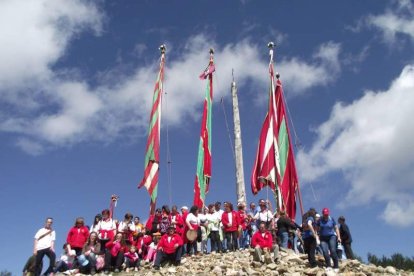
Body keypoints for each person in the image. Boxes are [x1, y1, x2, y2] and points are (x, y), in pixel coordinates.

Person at [317, 208, 341, 272]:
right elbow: (317, 229)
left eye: (327, 214)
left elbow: (336, 228)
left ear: (328, 214)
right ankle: (328, 265)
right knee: (325, 252)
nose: (326, 216)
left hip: (331, 237)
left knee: (333, 250)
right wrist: (317, 236)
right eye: (325, 215)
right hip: (323, 238)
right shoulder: (320, 220)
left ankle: (336, 266)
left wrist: (339, 237)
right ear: (322, 214)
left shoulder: (331, 219)